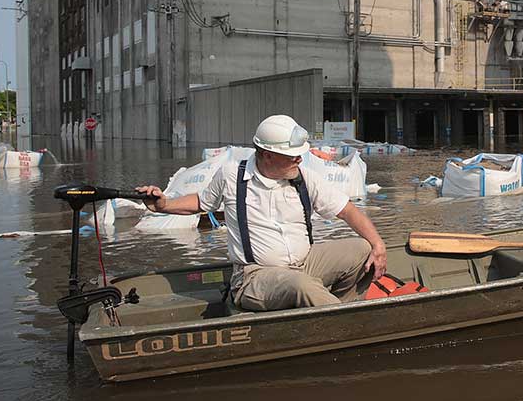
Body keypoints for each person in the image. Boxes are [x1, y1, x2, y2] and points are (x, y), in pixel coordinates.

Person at [135, 115, 388, 311]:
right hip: (255, 276)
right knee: (303, 286)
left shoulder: (304, 178)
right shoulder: (232, 176)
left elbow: (348, 211)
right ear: (267, 155)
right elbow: (202, 202)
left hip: (304, 264)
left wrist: (378, 245)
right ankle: (344, 323)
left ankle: (337, 310)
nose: (300, 160)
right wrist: (163, 205)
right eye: (292, 156)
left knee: (362, 250)